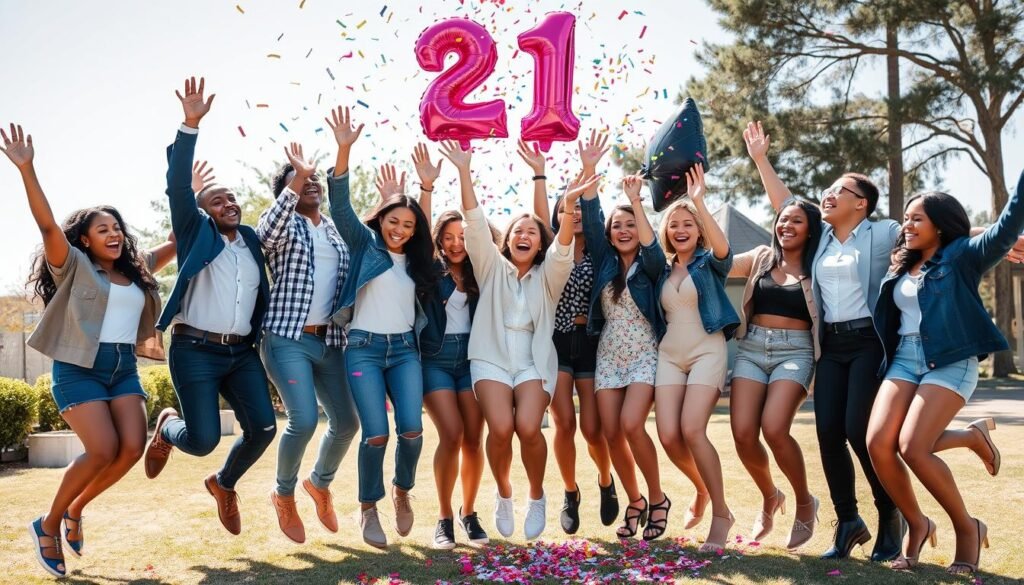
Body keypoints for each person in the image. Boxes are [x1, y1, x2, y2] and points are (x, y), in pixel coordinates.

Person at [4, 124, 174, 578]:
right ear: (85, 239)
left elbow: (178, 240)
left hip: (122, 368)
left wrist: (188, 192)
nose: (114, 234)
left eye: (117, 228)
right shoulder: (73, 265)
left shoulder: (137, 269)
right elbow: (46, 225)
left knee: (131, 448)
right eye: (103, 229)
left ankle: (75, 509)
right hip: (79, 369)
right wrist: (27, 169)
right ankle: (48, 524)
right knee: (101, 450)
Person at [744, 120, 904, 560]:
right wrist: (761, 160)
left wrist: (998, 240)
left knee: (858, 430)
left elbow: (929, 231)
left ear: (861, 203)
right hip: (830, 347)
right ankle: (848, 521)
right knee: (828, 432)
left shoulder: (882, 233)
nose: (828, 195)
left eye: (839, 190)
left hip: (868, 341)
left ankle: (890, 512)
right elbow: (786, 206)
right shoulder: (822, 240)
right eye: (827, 190)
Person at [866, 171, 1024, 574]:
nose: (907, 225)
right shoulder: (901, 262)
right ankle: (918, 523)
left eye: (917, 218)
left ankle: (967, 528)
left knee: (913, 447)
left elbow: (1006, 226)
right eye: (906, 218)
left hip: (950, 359)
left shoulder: (963, 256)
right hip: (905, 358)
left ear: (939, 224)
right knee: (878, 444)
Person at [440, 139, 598, 540]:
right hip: (490, 357)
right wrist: (463, 170)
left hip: (533, 360)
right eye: (518, 231)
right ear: (508, 240)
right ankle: (504, 493)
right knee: (500, 427)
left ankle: (537, 495)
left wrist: (568, 206)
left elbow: (564, 247)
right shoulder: (490, 266)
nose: (525, 235)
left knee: (528, 427)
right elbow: (475, 222)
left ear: (540, 243)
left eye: (532, 232)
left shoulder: (549, 276)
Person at [143, 77, 277, 537]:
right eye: (217, 200)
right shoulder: (196, 233)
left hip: (240, 352)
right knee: (201, 441)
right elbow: (178, 188)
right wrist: (190, 125)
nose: (229, 203)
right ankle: (168, 427)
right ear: (204, 212)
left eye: (232, 198)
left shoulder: (252, 241)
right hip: (195, 350)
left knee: (263, 429)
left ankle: (223, 483)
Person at [325, 106, 433, 550]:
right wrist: (344, 150)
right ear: (381, 219)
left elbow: (425, 224)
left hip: (405, 351)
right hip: (364, 349)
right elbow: (340, 206)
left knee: (412, 430)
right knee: (376, 433)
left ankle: (402, 490)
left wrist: (424, 189)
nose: (400, 230)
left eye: (408, 225)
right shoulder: (365, 246)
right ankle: (368, 508)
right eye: (393, 221)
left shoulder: (419, 261)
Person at [256, 141, 358, 544]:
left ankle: (318, 483)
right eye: (300, 179)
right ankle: (283, 494)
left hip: (330, 341)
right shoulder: (283, 225)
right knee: (304, 420)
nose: (310, 182)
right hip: (287, 337)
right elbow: (265, 234)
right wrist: (296, 177)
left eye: (314, 178)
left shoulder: (334, 230)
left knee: (347, 423)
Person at [394, 143, 491, 549]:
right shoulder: (431, 270)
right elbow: (420, 234)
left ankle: (469, 513)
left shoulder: (483, 270)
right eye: (448, 237)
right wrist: (426, 188)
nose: (455, 244)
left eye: (462, 237)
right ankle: (444, 517)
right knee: (451, 434)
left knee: (473, 439)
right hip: (434, 358)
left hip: (472, 358)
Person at [522, 132, 618, 535]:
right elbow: (541, 219)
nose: (575, 213)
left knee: (593, 429)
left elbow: (592, 216)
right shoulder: (550, 250)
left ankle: (606, 480)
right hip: (557, 343)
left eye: (580, 207)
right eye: (569, 206)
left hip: (592, 343)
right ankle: (570, 491)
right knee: (563, 424)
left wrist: (589, 170)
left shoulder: (600, 249)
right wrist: (540, 175)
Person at [728, 198, 823, 549]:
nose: (786, 226)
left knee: (774, 428)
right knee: (742, 434)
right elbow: (718, 259)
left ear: (811, 229)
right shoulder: (760, 258)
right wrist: (697, 206)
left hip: (796, 351)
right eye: (782, 219)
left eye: (796, 221)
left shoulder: (820, 263)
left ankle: (804, 502)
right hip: (752, 347)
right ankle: (770, 495)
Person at [654, 165, 740, 552]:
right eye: (674, 224)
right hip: (669, 355)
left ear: (699, 230)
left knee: (692, 429)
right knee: (668, 435)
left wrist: (699, 201)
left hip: (707, 349)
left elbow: (724, 250)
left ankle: (721, 513)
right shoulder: (660, 268)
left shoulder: (710, 263)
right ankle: (702, 488)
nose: (681, 229)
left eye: (688, 224)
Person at [581, 172, 668, 540]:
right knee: (612, 433)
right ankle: (635, 501)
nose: (623, 230)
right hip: (609, 354)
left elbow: (652, 247)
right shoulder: (605, 261)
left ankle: (658, 498)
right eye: (617, 226)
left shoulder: (651, 265)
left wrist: (634, 201)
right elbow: (590, 218)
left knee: (632, 425)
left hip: (645, 352)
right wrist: (589, 173)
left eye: (630, 224)